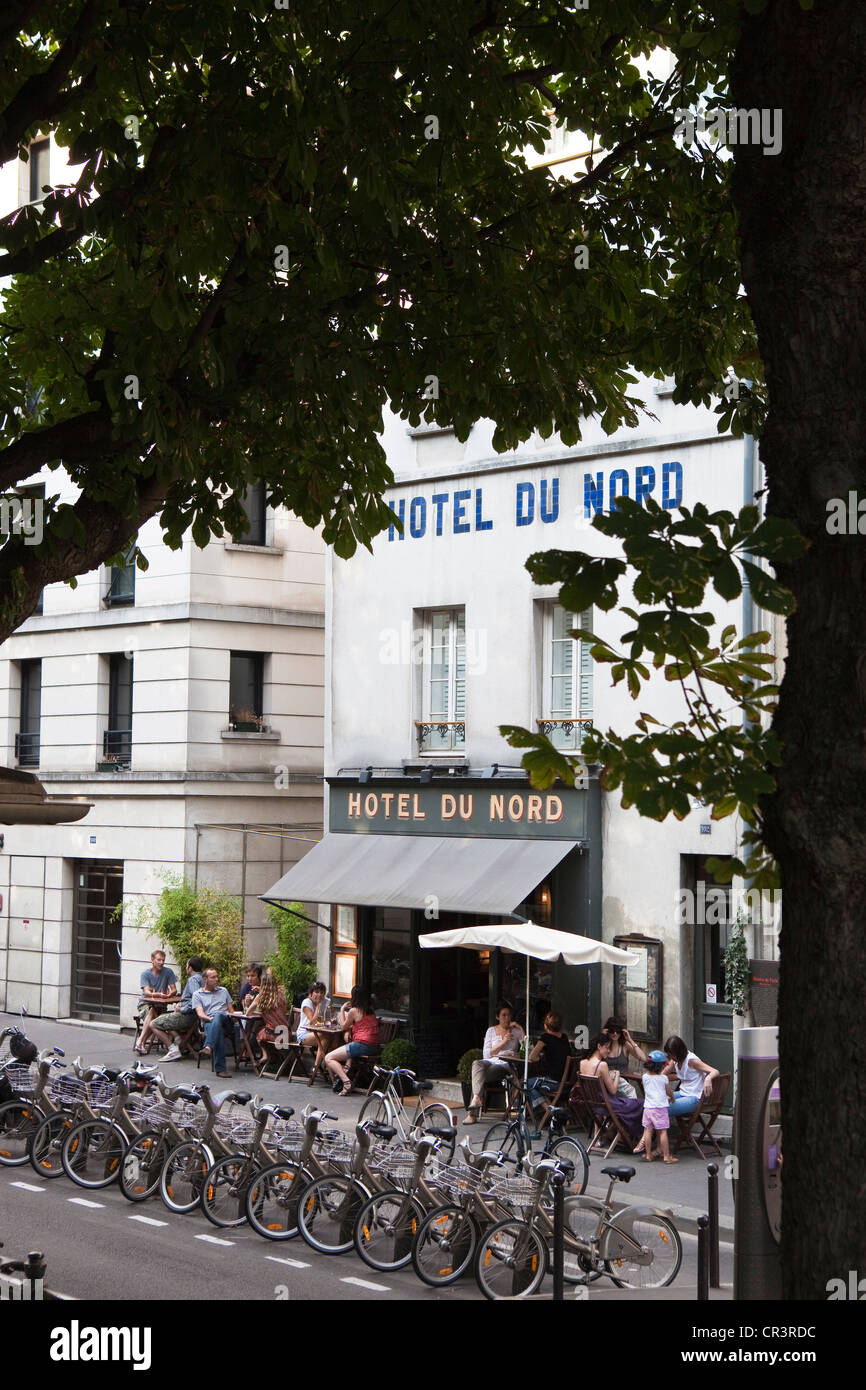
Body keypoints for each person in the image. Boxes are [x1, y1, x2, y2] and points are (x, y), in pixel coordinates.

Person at [574, 1032, 645, 1144]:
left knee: (631, 1102)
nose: (608, 1051)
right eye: (607, 1047)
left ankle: (611, 1135)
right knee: (641, 1104)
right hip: (608, 1105)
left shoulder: (582, 1063)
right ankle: (630, 1137)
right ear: (599, 1046)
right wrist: (617, 1075)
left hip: (594, 1104)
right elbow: (613, 1090)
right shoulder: (602, 1065)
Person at [463, 1002, 525, 1125]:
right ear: (498, 1017)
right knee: (476, 1063)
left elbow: (527, 1048)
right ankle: (476, 1098)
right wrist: (503, 1042)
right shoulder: (491, 1031)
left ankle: (472, 1114)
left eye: (509, 1015)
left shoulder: (516, 1032)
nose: (507, 1018)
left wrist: (520, 1028)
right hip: (490, 1061)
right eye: (504, 1015)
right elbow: (486, 1054)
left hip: (504, 1065)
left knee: (478, 1077)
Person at [324, 985, 380, 1097]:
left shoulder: (354, 1011)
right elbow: (362, 1025)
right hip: (373, 1046)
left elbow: (343, 1026)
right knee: (348, 1049)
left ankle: (346, 1081)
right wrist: (350, 1031)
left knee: (328, 1058)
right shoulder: (370, 1010)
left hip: (361, 1045)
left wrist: (342, 1009)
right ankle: (346, 1070)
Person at [147, 956, 205, 1059]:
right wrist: (181, 1003)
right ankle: (178, 1039)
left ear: (190, 968)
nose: (186, 967)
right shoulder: (203, 979)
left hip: (187, 1017)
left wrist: (182, 1008)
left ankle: (173, 1049)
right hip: (195, 1017)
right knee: (163, 1016)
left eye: (187, 965)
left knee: (153, 1024)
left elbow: (196, 999)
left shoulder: (193, 980)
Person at [526, 1011, 572, 1127]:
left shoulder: (545, 1037)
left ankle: (549, 1111)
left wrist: (540, 1058)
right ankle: (552, 1110)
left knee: (526, 1083)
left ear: (546, 1025)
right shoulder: (564, 1037)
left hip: (553, 1082)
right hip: (566, 1083)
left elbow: (532, 1057)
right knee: (533, 1082)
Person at [191, 967, 235, 1078]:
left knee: (219, 1015)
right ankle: (220, 1070)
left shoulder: (223, 991)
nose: (217, 979)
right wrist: (210, 1019)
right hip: (208, 1021)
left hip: (226, 1022)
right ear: (205, 979)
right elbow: (200, 1014)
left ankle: (209, 1046)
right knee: (217, 1028)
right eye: (213, 977)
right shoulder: (197, 994)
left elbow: (231, 1011)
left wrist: (218, 1017)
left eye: (217, 977)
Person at [663, 1035, 720, 1117]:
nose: (671, 1057)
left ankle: (655, 1129)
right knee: (655, 1102)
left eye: (672, 1054)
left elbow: (715, 1071)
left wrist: (708, 1078)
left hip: (695, 1098)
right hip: (683, 1093)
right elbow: (664, 1073)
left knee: (664, 1109)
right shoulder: (675, 1060)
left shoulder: (692, 1061)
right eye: (669, 1055)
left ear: (679, 1052)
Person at [246, 968, 289, 1073]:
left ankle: (265, 1055)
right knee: (264, 1029)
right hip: (286, 1034)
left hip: (274, 1035)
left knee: (258, 1033)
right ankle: (275, 1059)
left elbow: (248, 1013)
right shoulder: (282, 996)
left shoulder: (261, 998)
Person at [134, 950, 178, 1054]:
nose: (161, 962)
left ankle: (140, 1042)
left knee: (155, 1013)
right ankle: (142, 1042)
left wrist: (170, 994)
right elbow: (147, 992)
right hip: (145, 1005)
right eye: (159, 960)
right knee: (152, 1012)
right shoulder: (145, 974)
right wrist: (158, 995)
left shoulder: (168, 972)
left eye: (163, 960)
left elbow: (174, 989)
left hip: (161, 1005)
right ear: (152, 960)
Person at [639, 1050, 678, 1162]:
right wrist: (672, 1098)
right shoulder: (663, 1078)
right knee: (663, 1131)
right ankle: (666, 1156)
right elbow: (668, 1092)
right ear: (661, 1066)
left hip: (648, 1108)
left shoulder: (644, 1077)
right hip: (660, 1108)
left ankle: (648, 1154)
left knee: (647, 1131)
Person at [601, 1016, 648, 1098]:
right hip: (607, 1085)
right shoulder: (603, 1046)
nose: (615, 1034)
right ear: (608, 1031)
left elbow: (643, 1058)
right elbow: (592, 1056)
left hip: (623, 1086)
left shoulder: (624, 1045)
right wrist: (601, 1037)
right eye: (612, 1031)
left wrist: (630, 1040)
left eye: (618, 1031)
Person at [296, 981, 327, 1081]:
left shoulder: (325, 1002)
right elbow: (312, 1022)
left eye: (322, 992)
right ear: (311, 993)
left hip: (317, 1033)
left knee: (331, 1039)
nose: (319, 995)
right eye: (317, 992)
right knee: (324, 1038)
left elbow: (325, 1020)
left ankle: (327, 1069)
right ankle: (317, 1068)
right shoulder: (306, 1003)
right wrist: (318, 1007)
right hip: (304, 1034)